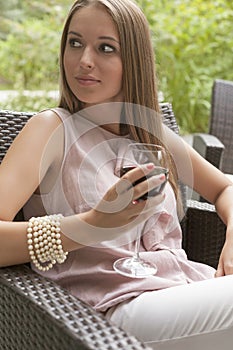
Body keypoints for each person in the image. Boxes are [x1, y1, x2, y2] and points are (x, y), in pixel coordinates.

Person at [1, 0, 233, 349]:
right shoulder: (51, 129)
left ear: (134, 60)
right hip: (111, 312)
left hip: (185, 290)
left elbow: (224, 187)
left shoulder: (150, 133)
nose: (84, 60)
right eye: (75, 43)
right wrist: (94, 223)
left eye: (105, 48)